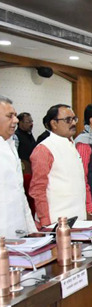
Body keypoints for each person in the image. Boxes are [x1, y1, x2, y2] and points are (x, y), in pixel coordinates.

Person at [29, 104, 86, 226]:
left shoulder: (71, 144)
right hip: (56, 221)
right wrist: (45, 222)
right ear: (54, 124)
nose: (73, 123)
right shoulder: (44, 149)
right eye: (68, 120)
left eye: (74, 119)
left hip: (78, 218)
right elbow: (38, 190)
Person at [0, 96, 37, 238]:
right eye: (10, 116)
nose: (15, 120)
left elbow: (20, 192)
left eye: (15, 115)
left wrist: (31, 229)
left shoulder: (10, 144)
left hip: (17, 227)